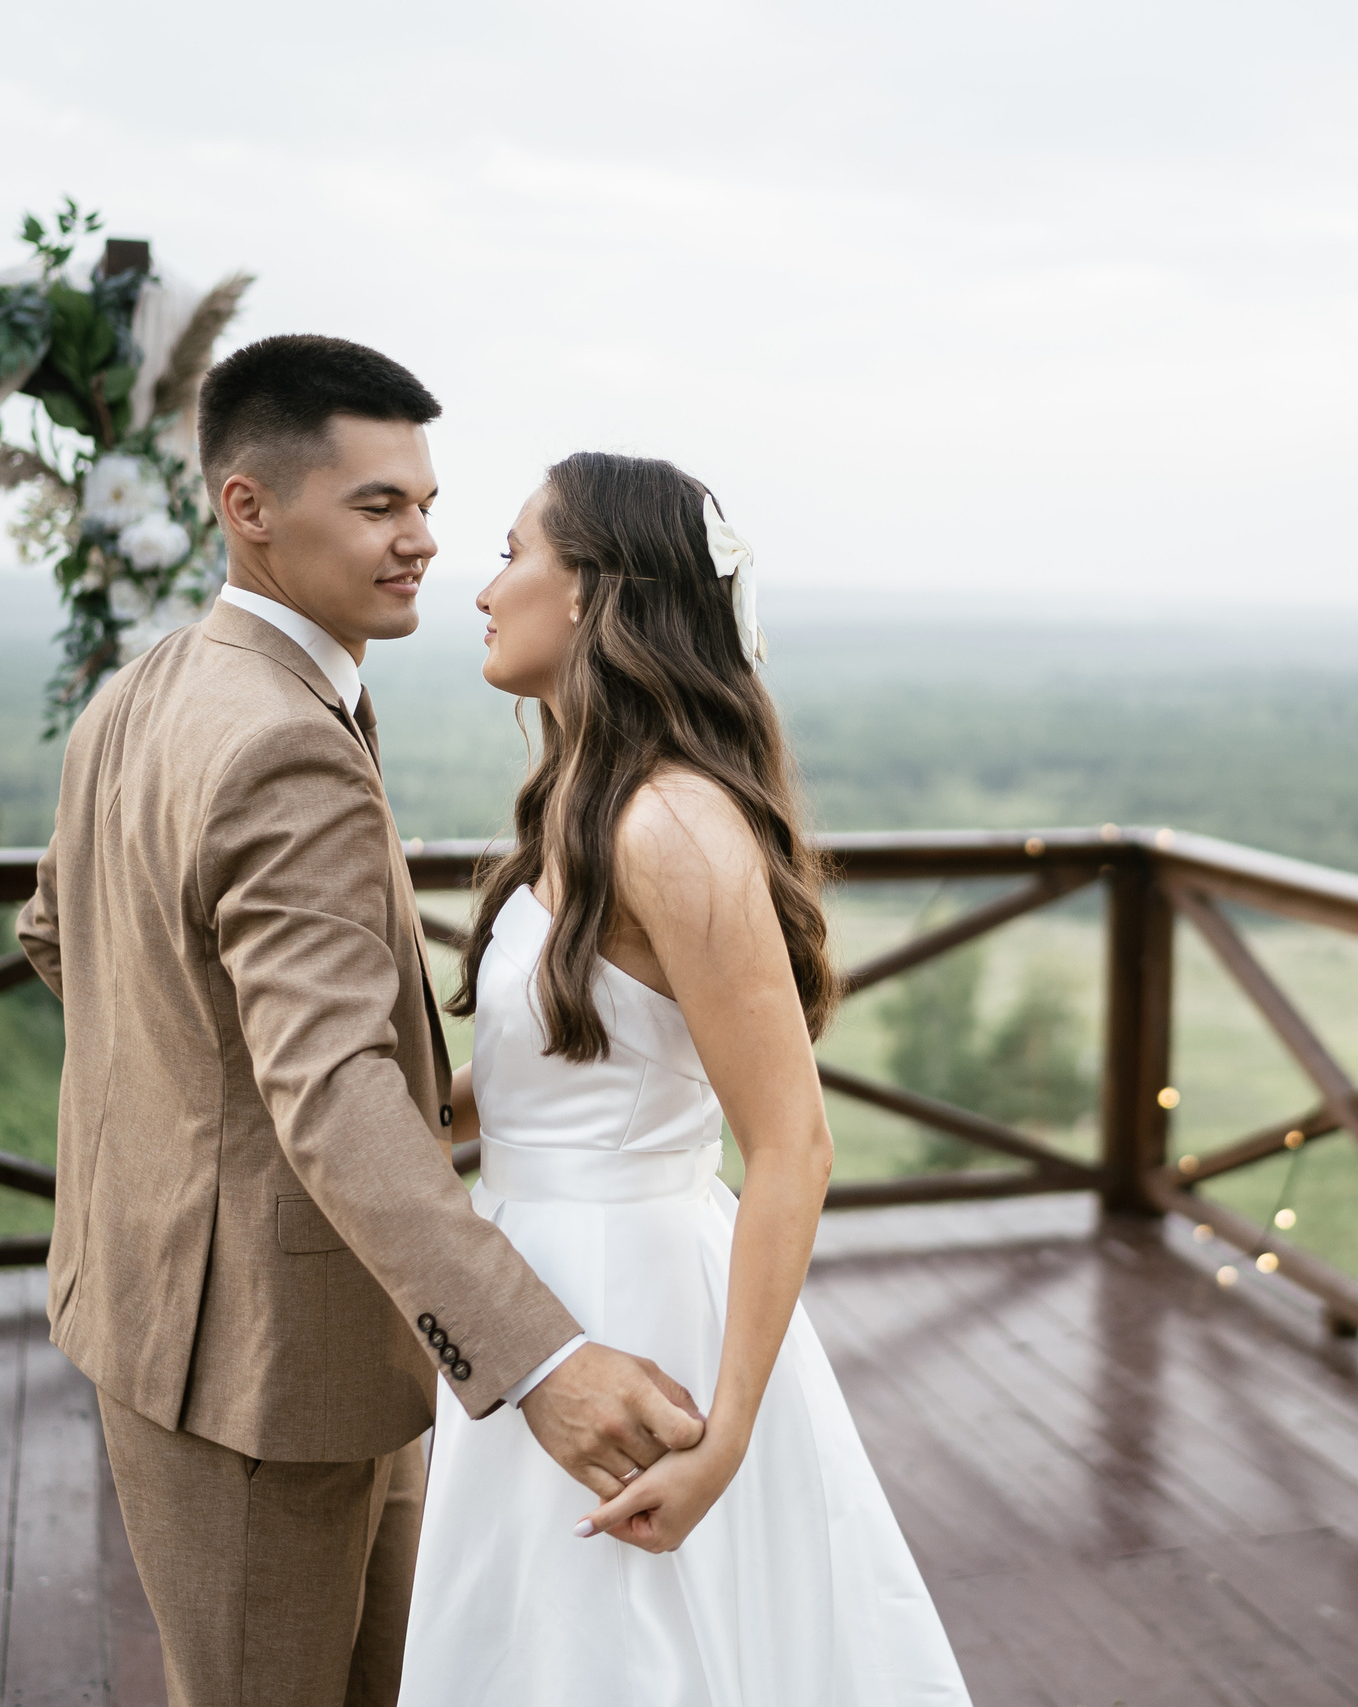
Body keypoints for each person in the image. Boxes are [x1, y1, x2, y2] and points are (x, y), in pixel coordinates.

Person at [16, 337, 707, 1707]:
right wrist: (545, 1362)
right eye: (380, 505)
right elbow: (328, 1092)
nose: (425, 542)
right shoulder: (278, 736)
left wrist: (183, 1149)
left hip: (171, 1314)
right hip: (271, 1367)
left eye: (429, 504)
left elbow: (59, 939)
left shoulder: (141, 691)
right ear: (249, 506)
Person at [396, 453, 969, 1704]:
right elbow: (537, 1078)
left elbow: (793, 1147)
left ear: (595, 592)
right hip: (527, 1284)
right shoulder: (572, 807)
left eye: (510, 553)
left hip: (635, 1296)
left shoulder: (669, 826)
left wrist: (725, 1443)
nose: (481, 590)